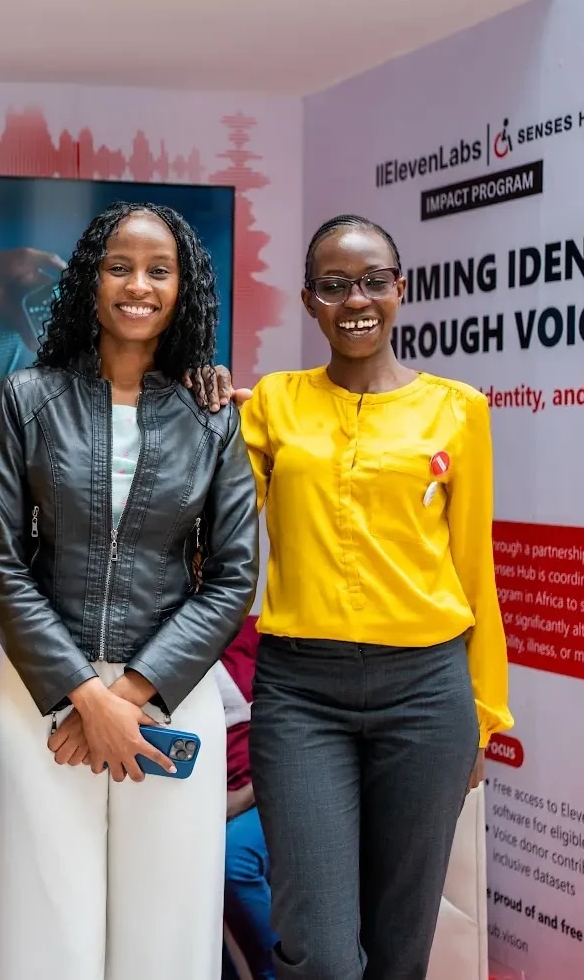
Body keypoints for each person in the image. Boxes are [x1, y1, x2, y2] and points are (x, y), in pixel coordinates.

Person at [0, 201, 261, 980]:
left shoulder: (212, 418)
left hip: (168, 694)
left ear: (184, 287)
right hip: (43, 697)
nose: (138, 285)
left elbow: (233, 576)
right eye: (119, 265)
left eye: (158, 269)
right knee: (44, 928)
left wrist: (127, 695)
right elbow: (2, 560)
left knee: (167, 935)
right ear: (89, 281)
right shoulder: (27, 398)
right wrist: (82, 694)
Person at [240, 214, 512, 980]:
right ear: (309, 301)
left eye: (371, 281)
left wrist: (484, 715)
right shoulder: (272, 403)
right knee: (321, 952)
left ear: (402, 288)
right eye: (333, 285)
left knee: (401, 949)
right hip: (301, 692)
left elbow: (474, 566)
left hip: (427, 695)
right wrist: (203, 417)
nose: (354, 299)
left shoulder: (459, 410)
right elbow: (223, 517)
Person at [215, 617, 275, 980]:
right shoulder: (157, 649)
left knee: (232, 858)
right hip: (195, 805)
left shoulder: (257, 633)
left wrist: (243, 797)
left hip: (269, 791)